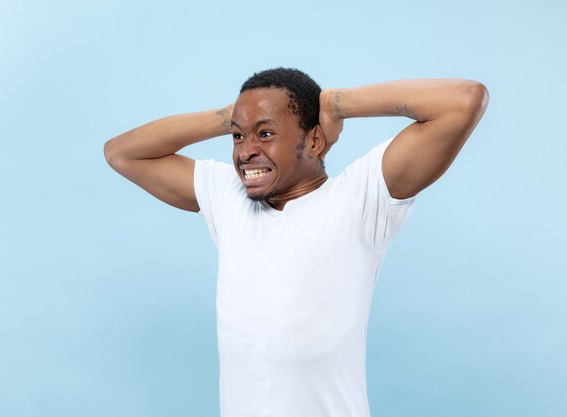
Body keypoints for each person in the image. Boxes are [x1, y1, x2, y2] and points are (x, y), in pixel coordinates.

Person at [103, 67, 489, 417]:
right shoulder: (228, 197)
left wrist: (336, 104)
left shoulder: (360, 197)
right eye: (238, 137)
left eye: (266, 134)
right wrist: (232, 117)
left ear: (316, 141)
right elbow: (122, 152)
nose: (245, 150)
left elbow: (463, 100)